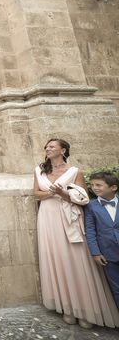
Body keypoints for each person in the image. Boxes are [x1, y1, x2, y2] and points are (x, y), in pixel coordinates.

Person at [34, 138, 119, 328]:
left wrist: (63, 195)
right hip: (48, 217)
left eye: (52, 146)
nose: (48, 148)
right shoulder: (39, 170)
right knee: (57, 259)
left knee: (77, 260)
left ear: (63, 150)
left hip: (70, 218)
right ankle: (67, 307)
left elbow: (84, 199)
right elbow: (36, 193)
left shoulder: (75, 172)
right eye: (47, 147)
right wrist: (52, 193)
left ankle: (86, 310)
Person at [85, 172, 119, 308]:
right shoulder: (91, 206)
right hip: (107, 254)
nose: (95, 188)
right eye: (92, 185)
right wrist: (95, 253)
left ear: (113, 187)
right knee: (116, 289)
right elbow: (90, 231)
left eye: (99, 185)